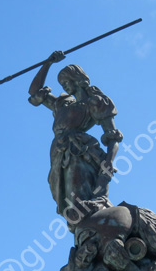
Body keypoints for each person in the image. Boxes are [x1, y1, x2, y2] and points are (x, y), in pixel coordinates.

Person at [28, 51, 123, 219]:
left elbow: (112, 136)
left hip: (79, 152)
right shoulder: (62, 105)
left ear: (76, 79)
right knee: (65, 203)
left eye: (65, 81)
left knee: (79, 203)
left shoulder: (95, 102)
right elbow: (34, 92)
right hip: (58, 153)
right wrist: (48, 63)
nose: (63, 86)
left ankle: (93, 228)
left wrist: (108, 163)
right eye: (61, 83)